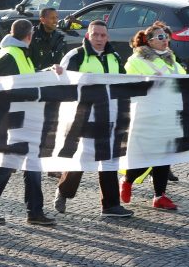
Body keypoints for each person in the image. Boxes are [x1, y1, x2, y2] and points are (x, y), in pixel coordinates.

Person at [54, 20, 132, 218]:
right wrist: (58, 74)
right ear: (88, 36)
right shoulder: (76, 55)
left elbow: (123, 82)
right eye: (95, 34)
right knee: (81, 159)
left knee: (108, 160)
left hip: (109, 117)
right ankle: (64, 191)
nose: (98, 39)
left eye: (102, 35)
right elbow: (61, 82)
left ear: (108, 37)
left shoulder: (114, 57)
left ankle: (110, 205)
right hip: (82, 118)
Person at [0, 19, 56, 226]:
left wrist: (47, 73)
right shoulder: (10, 56)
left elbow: (27, 78)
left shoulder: (19, 53)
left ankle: (34, 211)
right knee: (5, 166)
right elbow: (9, 90)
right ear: (29, 35)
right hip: (11, 120)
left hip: (24, 119)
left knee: (32, 164)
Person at [121, 22, 183, 211]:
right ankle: (127, 180)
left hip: (168, 114)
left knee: (164, 157)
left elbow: (184, 80)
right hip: (147, 116)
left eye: (167, 37)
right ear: (149, 41)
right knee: (147, 156)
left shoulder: (171, 59)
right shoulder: (136, 60)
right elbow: (134, 85)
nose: (166, 41)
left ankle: (159, 196)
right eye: (161, 37)